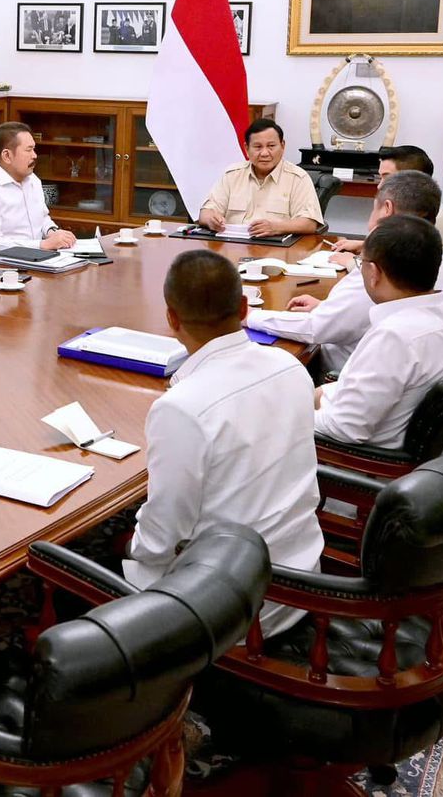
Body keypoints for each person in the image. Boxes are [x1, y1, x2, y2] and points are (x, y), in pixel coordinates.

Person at [123, 250, 323, 639]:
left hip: (231, 611)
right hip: (302, 580)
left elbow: (162, 538)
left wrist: (132, 549)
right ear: (244, 308)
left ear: (172, 319)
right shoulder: (291, 367)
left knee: (119, 557)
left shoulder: (182, 407)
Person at [253, 170, 443, 375]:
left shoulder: (384, 261)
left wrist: (249, 316)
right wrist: (328, 308)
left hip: (348, 373)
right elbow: (366, 311)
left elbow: (316, 328)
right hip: (426, 367)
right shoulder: (435, 252)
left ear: (386, 209)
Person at [313, 216, 443, 449]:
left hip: (355, 456)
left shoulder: (395, 337)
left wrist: (287, 413)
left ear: (374, 273)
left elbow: (345, 428)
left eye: (360, 263)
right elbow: (371, 387)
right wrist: (313, 396)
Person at [330, 144, 443, 270]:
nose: (380, 186)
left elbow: (394, 272)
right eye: (380, 177)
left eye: (387, 178)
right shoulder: (419, 209)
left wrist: (351, 262)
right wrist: (362, 245)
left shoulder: (425, 218)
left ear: (411, 180)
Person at [196, 118, 323, 237]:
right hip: (234, 245)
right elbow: (205, 213)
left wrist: (276, 227)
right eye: (257, 147)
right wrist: (211, 220)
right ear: (246, 148)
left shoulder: (298, 178)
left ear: (282, 146)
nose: (264, 153)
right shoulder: (232, 175)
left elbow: (309, 223)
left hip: (277, 248)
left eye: (271, 146)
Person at [0, 121, 77, 254]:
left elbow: (42, 218)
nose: (34, 155)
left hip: (38, 258)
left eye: (34, 149)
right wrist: (42, 245)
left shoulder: (32, 180)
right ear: (7, 156)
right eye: (28, 150)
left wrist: (53, 232)